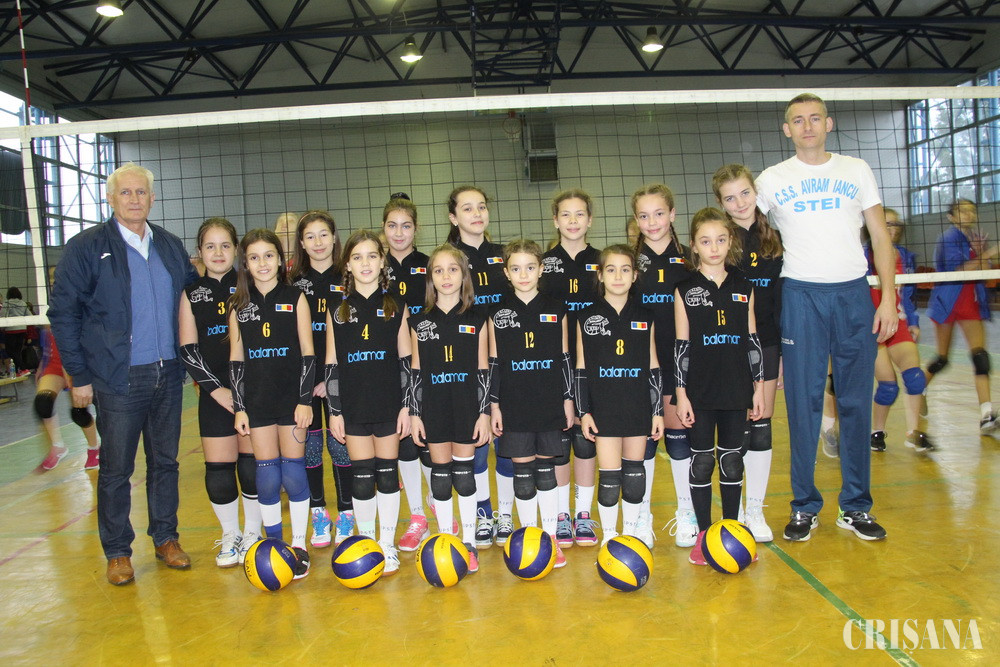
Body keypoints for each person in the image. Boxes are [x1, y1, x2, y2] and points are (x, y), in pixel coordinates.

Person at [48, 162, 199, 586]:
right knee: (116, 469)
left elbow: (196, 300)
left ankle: (166, 538)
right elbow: (63, 313)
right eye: (126, 192)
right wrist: (78, 375)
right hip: (118, 378)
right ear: (111, 198)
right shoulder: (86, 247)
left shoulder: (169, 245)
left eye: (141, 192)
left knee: (165, 462)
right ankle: (117, 552)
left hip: (168, 372)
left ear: (152, 198)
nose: (134, 199)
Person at [755, 92, 896, 543]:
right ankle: (804, 506)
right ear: (787, 130)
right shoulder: (771, 180)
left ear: (829, 123)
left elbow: (880, 236)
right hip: (800, 296)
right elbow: (743, 232)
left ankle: (856, 506)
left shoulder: (856, 170)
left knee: (854, 401)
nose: (808, 126)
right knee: (803, 404)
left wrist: (888, 298)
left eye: (815, 118)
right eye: (798, 120)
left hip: (853, 294)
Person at [673, 208, 765, 563]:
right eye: (706, 241)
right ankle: (703, 535)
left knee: (731, 461)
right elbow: (681, 346)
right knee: (701, 462)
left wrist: (758, 388)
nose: (714, 248)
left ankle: (731, 530)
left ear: (730, 243)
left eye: (721, 240)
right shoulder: (684, 289)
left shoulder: (744, 286)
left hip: (736, 388)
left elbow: (752, 339)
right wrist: (681, 394)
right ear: (694, 246)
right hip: (699, 390)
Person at [228, 228, 315, 579]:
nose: (262, 263)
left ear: (280, 260)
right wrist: (240, 407)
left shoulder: (295, 298)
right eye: (254, 257)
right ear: (245, 264)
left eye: (268, 255)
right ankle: (274, 542)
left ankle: (299, 544)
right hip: (258, 402)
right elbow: (236, 361)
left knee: (293, 474)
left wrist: (305, 401)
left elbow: (308, 353)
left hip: (292, 402)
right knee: (266, 477)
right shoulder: (239, 306)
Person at [324, 229, 410, 576]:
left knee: (387, 475)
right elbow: (331, 364)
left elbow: (406, 361)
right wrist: (335, 411)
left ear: (382, 261)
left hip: (389, 403)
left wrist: (407, 406)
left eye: (372, 256)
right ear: (347, 264)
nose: (365, 263)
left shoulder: (396, 305)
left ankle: (387, 543)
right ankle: (367, 541)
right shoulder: (337, 309)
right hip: (354, 405)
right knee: (361, 477)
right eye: (357, 257)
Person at [178, 218, 262, 567]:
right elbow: (188, 350)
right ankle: (231, 533)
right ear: (199, 251)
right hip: (216, 396)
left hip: (252, 392)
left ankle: (254, 531)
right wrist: (215, 390)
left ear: (236, 250)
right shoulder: (191, 294)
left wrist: (243, 391)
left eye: (225, 245)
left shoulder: (252, 286)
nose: (217, 252)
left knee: (252, 467)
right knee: (218, 469)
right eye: (210, 246)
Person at [489, 239, 573, 568]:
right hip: (514, 403)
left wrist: (568, 399)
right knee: (522, 471)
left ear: (540, 269)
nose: (523, 274)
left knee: (546, 469)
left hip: (549, 401)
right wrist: (495, 406)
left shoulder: (556, 307)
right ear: (506, 273)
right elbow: (494, 363)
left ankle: (550, 537)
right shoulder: (497, 312)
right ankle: (527, 537)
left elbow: (564, 357)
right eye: (516, 268)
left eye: (529, 267)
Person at [409, 243, 491, 573]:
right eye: (439, 270)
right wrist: (414, 413)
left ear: (464, 275)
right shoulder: (419, 321)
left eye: (453, 269)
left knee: (465, 475)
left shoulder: (478, 319)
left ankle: (468, 542)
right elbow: (415, 372)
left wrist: (484, 413)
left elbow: (484, 370)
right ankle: (446, 537)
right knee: (440, 476)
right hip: (434, 407)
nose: (446, 276)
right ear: (430, 278)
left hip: (467, 406)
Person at [713, 164, 784, 543]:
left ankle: (755, 508)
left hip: (768, 341)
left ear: (756, 192)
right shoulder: (722, 240)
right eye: (730, 198)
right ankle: (735, 507)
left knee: (761, 421)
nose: (739, 203)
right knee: (734, 426)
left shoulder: (776, 233)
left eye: (745, 193)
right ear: (720, 203)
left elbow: (782, 297)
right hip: (729, 345)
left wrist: (783, 353)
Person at [576, 244, 664, 546]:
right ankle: (610, 536)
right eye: (611, 270)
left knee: (634, 474)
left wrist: (657, 412)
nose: (618, 276)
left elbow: (653, 366)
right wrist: (584, 412)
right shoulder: (586, 316)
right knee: (610, 477)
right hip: (604, 409)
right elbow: (581, 368)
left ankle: (631, 533)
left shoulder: (645, 316)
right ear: (600, 275)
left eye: (625, 270)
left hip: (637, 407)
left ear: (634, 275)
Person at [445, 185, 515, 548]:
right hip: (466, 363)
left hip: (507, 360)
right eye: (467, 208)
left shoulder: (504, 255)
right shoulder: (447, 260)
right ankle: (482, 511)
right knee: (473, 444)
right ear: (453, 217)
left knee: (506, 440)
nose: (476, 214)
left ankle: (505, 512)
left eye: (482, 207)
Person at [631, 183, 695, 549]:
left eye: (659, 213)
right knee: (644, 443)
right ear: (635, 220)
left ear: (672, 214)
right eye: (644, 216)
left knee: (678, 437)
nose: (652, 222)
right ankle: (642, 515)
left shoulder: (690, 259)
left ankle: (686, 512)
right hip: (639, 366)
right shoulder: (628, 262)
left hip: (679, 364)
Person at [539, 189, 601, 547]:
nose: (573, 221)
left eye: (580, 214)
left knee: (586, 437)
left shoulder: (602, 261)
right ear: (555, 220)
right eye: (566, 214)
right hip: (555, 362)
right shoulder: (544, 264)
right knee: (561, 437)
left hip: (594, 361)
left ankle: (583, 513)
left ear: (590, 220)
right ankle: (562, 514)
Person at [289, 210, 353, 547]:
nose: (318, 242)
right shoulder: (292, 282)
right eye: (310, 236)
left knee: (341, 444)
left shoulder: (349, 277)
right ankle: (318, 512)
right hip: (304, 379)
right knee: (311, 446)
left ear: (334, 237)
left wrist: (332, 379)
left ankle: (346, 512)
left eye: (324, 234)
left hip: (341, 375)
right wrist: (309, 380)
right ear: (301, 243)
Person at [382, 193, 437, 551]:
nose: (399, 233)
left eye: (406, 226)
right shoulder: (375, 264)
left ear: (416, 229)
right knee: (404, 441)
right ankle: (417, 516)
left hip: (429, 360)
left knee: (430, 439)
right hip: (390, 365)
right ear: (383, 228)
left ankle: (438, 503)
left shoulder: (430, 265)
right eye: (392, 226)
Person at [925, 199, 999, 433]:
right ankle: (918, 391)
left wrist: (983, 253)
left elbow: (984, 270)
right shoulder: (948, 238)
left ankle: (986, 414)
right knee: (942, 359)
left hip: (971, 302)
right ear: (951, 216)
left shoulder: (972, 239)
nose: (968, 214)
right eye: (962, 211)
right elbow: (959, 270)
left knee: (980, 357)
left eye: (971, 211)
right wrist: (988, 253)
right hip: (948, 301)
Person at [35, 326, 101, 471]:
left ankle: (94, 448)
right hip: (54, 365)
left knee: (79, 413)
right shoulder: (47, 317)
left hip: (76, 363)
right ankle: (58, 446)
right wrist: (42, 364)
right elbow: (49, 341)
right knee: (43, 402)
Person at [0, 287, 31, 374]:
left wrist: (2, 328)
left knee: (9, 351)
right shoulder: (23, 303)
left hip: (11, 330)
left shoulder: (7, 303)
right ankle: (17, 372)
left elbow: (3, 316)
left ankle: (23, 368)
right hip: (22, 329)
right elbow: (29, 315)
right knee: (17, 351)